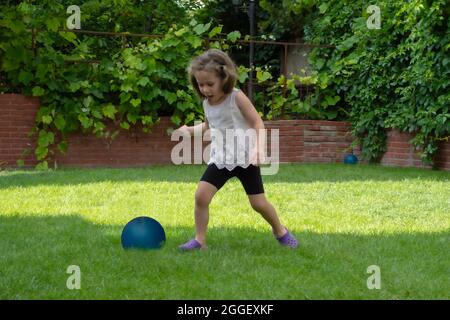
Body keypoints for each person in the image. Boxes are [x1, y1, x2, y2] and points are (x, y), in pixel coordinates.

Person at [175, 49, 298, 251]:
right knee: (201, 196)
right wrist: (188, 130)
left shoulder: (236, 97)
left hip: (245, 157)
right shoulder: (207, 103)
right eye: (200, 84)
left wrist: (259, 149)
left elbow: (257, 123)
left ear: (224, 78)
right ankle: (199, 240)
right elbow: (208, 127)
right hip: (221, 159)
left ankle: (280, 231)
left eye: (210, 84)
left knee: (258, 203)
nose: (205, 89)